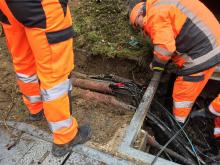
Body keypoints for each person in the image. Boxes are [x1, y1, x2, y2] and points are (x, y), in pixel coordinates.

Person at [0, 1, 91, 157]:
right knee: (55, 72)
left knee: (23, 60)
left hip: (7, 6)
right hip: (40, 6)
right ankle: (65, 135)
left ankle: (35, 108)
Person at [129, 0, 220, 125]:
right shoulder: (161, 5)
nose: (141, 29)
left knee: (182, 95)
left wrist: (157, 64)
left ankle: (177, 125)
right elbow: (177, 35)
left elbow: (165, 48)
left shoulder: (154, 14)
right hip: (209, 44)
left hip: (204, 53)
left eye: (137, 25)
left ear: (140, 14)